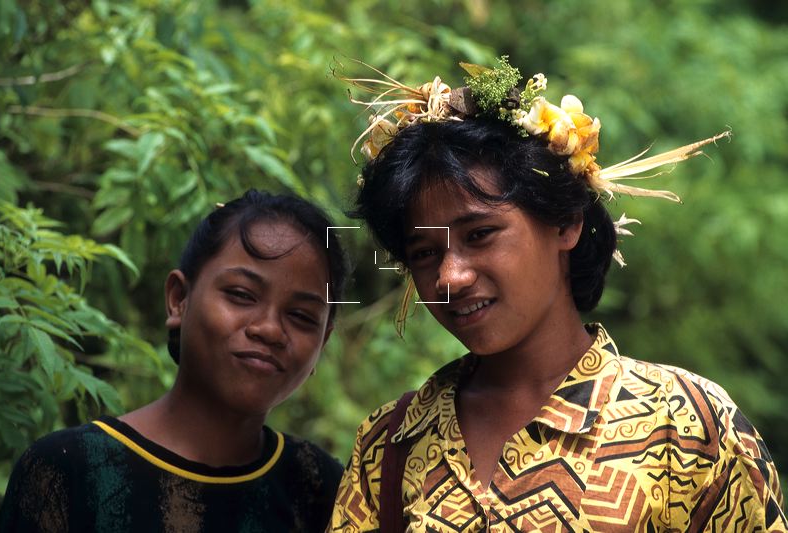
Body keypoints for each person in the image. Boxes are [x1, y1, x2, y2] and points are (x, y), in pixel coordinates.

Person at [328, 58, 787, 531]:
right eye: (424, 252)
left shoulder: (686, 427)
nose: (450, 276)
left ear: (566, 222)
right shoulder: (390, 445)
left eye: (480, 234)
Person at [0, 189, 349, 532]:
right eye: (241, 295)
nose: (270, 329)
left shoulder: (322, 489)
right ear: (179, 299)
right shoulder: (68, 470)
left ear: (323, 342)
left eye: (302, 316)